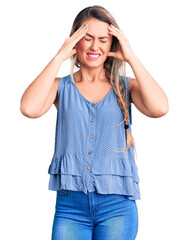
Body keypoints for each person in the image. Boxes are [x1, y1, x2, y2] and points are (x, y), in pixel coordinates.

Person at [20, 5, 169, 240]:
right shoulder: (62, 87)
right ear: (74, 42)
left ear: (112, 45)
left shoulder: (125, 87)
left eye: (102, 40)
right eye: (87, 38)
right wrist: (59, 56)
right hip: (70, 209)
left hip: (117, 209)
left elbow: (160, 108)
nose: (94, 46)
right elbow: (29, 108)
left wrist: (131, 57)